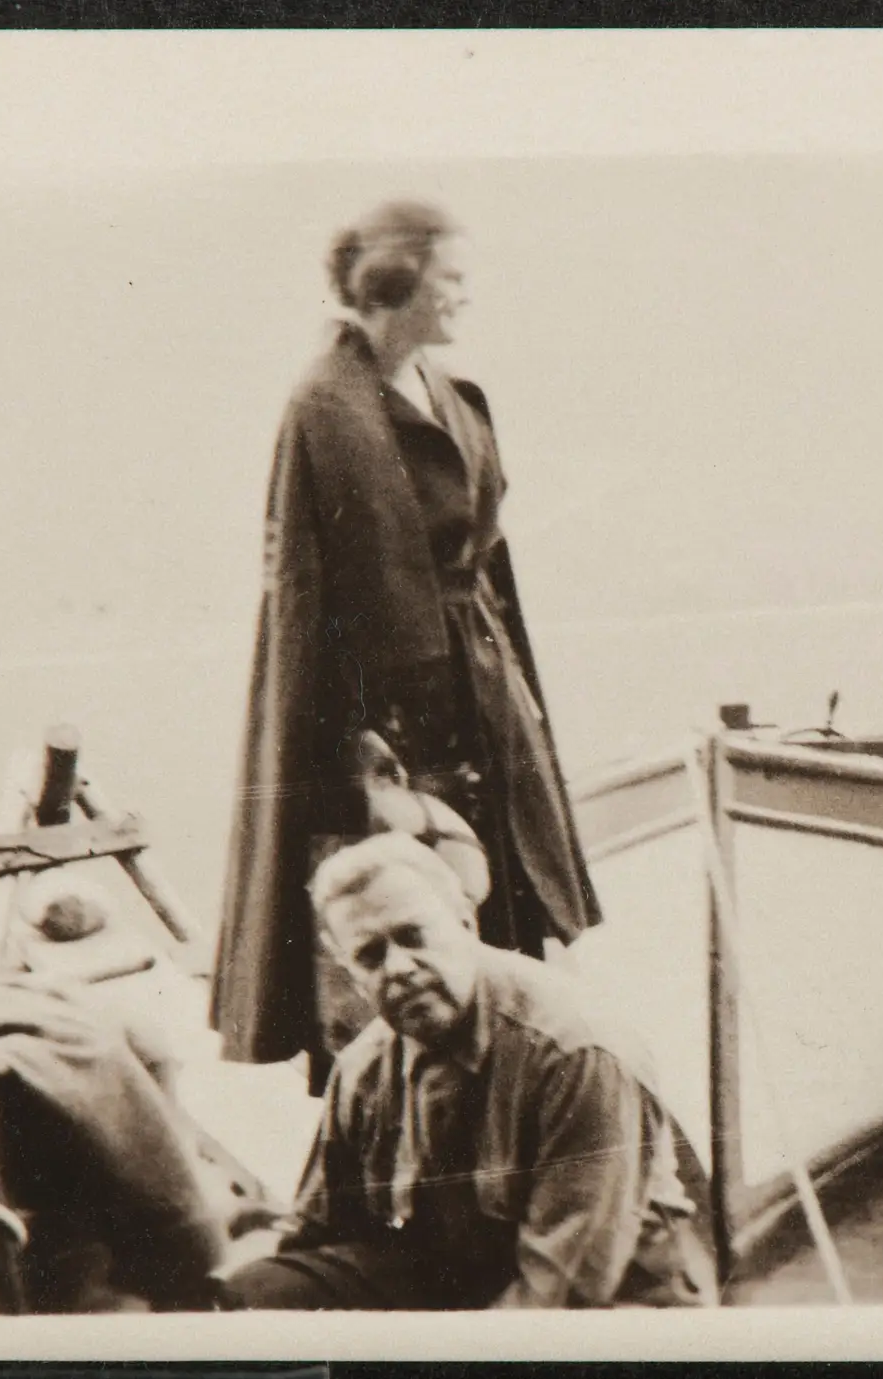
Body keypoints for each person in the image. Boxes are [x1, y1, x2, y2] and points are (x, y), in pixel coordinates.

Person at [212, 200, 602, 1083]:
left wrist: (519, 710)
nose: (466, 296)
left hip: (482, 701)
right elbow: (307, 600)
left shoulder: (455, 397)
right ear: (396, 282)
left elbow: (490, 572)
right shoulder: (325, 407)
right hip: (390, 724)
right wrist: (358, 752)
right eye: (451, 278)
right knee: (405, 937)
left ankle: (508, 1120)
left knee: (504, 933)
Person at [217, 833, 714, 1310]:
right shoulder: (362, 1070)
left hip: (610, 1311)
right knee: (258, 1293)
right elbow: (318, 1231)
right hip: (463, 1292)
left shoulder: (575, 1053)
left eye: (413, 937)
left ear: (465, 923)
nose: (398, 968)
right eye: (370, 956)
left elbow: (562, 1291)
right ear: (348, 971)